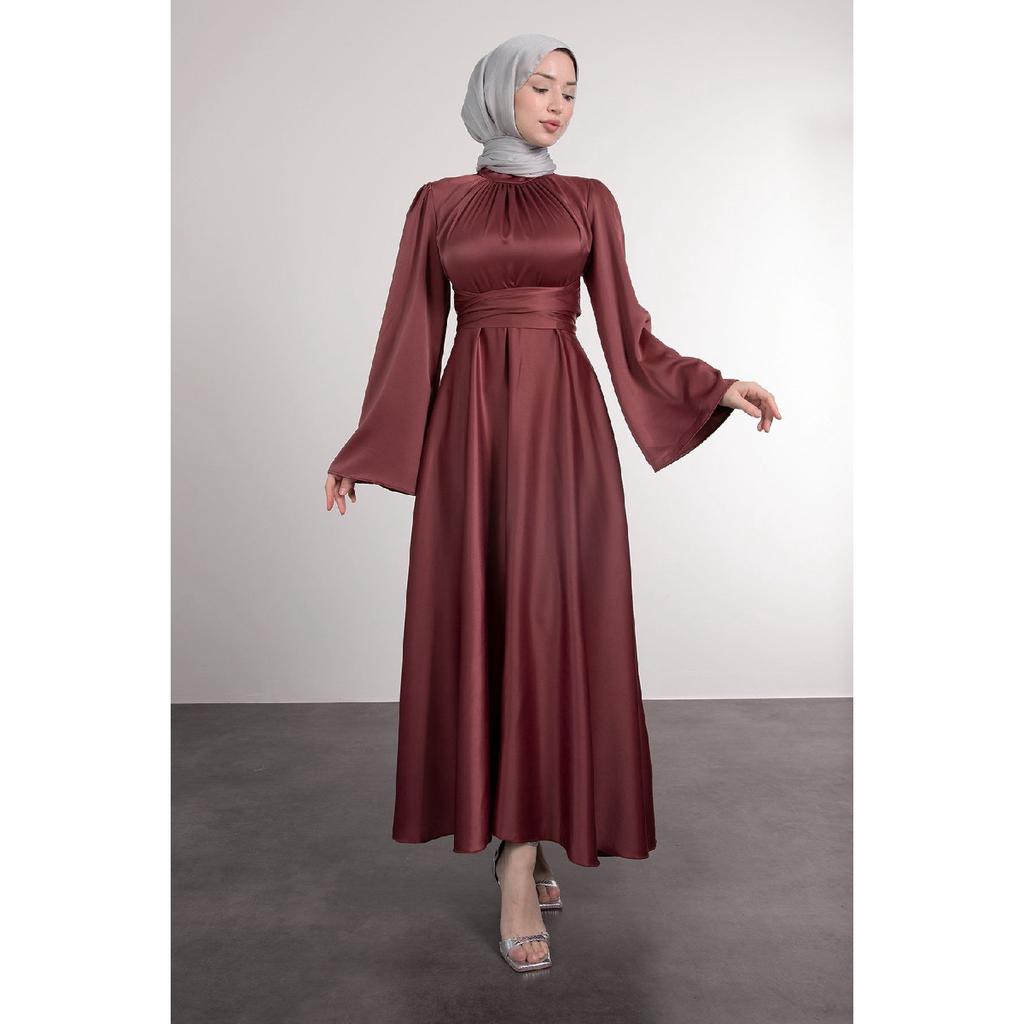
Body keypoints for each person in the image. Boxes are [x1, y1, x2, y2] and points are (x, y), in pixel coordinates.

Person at [324, 33, 781, 972]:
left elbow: (627, 329)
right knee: (485, 619)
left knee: (549, 621)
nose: (558, 103)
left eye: (571, 90)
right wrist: (366, 447)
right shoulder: (438, 203)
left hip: (564, 430)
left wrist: (714, 386)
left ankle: (523, 848)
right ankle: (513, 852)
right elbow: (410, 328)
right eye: (541, 85)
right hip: (471, 433)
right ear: (499, 93)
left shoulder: (589, 201)